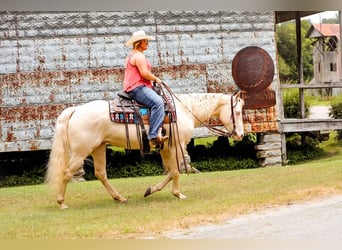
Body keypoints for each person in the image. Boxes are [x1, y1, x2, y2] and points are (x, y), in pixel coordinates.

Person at [123, 30, 168, 147]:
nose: (147, 43)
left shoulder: (132, 55)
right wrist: (156, 79)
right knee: (158, 103)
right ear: (139, 42)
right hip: (137, 87)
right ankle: (153, 136)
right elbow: (144, 73)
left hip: (136, 86)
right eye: (145, 41)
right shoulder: (138, 56)